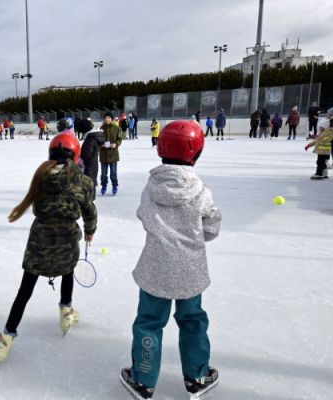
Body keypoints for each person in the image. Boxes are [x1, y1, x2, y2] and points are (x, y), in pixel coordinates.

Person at [120, 120, 221, 400]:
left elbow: (143, 216)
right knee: (192, 321)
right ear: (196, 152)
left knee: (149, 322)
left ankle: (143, 378)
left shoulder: (150, 187)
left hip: (155, 268)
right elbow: (212, 227)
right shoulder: (201, 192)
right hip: (190, 270)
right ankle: (197, 375)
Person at [0, 134, 97, 367]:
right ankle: (66, 316)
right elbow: (89, 210)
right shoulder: (84, 183)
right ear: (76, 156)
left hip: (39, 244)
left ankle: (4, 340)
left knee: (25, 291)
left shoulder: (40, 177)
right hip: (67, 242)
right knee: (68, 272)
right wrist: (90, 230)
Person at [100, 112, 123, 196]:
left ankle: (114, 186)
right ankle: (103, 186)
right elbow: (97, 140)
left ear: (112, 119)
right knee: (103, 173)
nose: (107, 119)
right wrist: (101, 144)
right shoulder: (101, 128)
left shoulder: (116, 128)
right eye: (106, 118)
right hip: (103, 155)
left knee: (113, 173)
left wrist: (116, 144)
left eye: (109, 118)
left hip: (113, 154)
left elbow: (120, 139)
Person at [80, 120, 105, 197]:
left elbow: (87, 155)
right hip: (93, 165)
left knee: (89, 185)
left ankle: (91, 202)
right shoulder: (93, 137)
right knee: (91, 183)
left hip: (88, 167)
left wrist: (79, 157)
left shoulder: (90, 139)